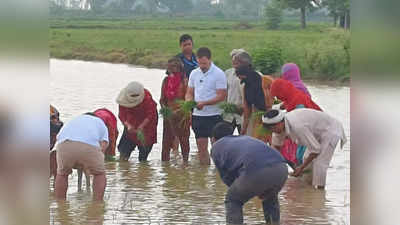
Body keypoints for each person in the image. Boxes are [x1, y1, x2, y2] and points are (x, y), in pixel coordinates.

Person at [210, 122, 288, 225]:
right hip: (281, 168)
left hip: (257, 171)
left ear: (213, 139)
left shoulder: (216, 147)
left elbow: (227, 178)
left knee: (233, 200)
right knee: (270, 197)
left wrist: (248, 190)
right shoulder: (245, 138)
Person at [262, 108, 347, 189]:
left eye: (274, 128)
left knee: (320, 163)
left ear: (280, 122)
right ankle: (308, 188)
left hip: (330, 130)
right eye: (270, 129)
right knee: (306, 158)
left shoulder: (297, 126)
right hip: (316, 132)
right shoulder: (277, 129)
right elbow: (276, 148)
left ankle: (319, 191)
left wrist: (301, 168)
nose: (273, 131)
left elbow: (316, 150)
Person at [185, 47, 227, 165]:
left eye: (204, 63)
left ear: (210, 60)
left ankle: (218, 174)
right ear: (197, 60)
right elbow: (189, 92)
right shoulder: (194, 73)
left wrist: (205, 103)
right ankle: (203, 176)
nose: (202, 65)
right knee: (201, 149)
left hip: (214, 115)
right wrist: (189, 101)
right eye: (200, 63)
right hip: (198, 116)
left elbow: (222, 95)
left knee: (217, 149)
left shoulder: (219, 73)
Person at [55, 112, 109, 201]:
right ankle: (97, 204)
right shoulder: (100, 122)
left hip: (64, 144)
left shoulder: (73, 120)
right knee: (99, 174)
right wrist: (96, 163)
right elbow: (104, 144)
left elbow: (58, 137)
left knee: (62, 174)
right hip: (88, 146)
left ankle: (60, 205)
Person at [270, 78, 322, 165]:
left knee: (303, 155)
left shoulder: (298, 101)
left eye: (278, 94)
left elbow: (301, 123)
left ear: (282, 91)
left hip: (311, 129)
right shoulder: (290, 97)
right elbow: (282, 106)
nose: (278, 97)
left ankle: (303, 171)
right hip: (303, 128)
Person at [116, 81, 158, 162]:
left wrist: (142, 126)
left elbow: (150, 115)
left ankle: (142, 171)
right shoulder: (123, 98)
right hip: (131, 122)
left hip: (148, 125)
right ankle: (124, 170)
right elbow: (121, 115)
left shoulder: (147, 97)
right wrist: (128, 125)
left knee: (143, 156)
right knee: (123, 153)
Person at [160, 57, 191, 162]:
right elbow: (162, 100)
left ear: (180, 68)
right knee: (166, 142)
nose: (172, 69)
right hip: (168, 115)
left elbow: (188, 99)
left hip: (182, 115)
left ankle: (185, 163)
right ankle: (165, 166)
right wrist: (166, 110)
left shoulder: (185, 81)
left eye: (175, 67)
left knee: (184, 141)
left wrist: (178, 111)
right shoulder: (166, 81)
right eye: (170, 67)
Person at [235, 62, 274, 143]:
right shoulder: (246, 88)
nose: (242, 81)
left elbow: (279, 94)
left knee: (274, 142)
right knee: (258, 142)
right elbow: (247, 112)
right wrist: (243, 130)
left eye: (242, 78)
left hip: (273, 116)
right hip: (258, 117)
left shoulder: (267, 81)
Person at [223, 49, 246, 133]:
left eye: (237, 61)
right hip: (229, 115)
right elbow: (225, 92)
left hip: (243, 114)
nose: (235, 63)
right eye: (233, 60)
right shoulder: (227, 73)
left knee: (244, 139)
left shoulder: (250, 75)